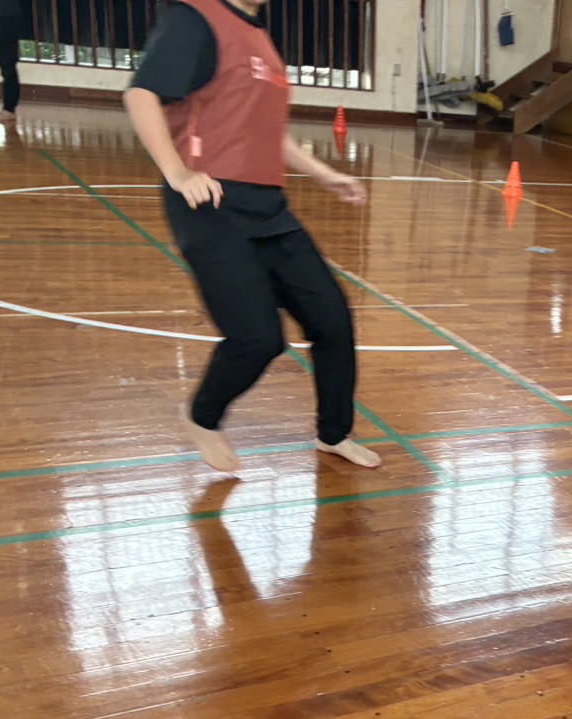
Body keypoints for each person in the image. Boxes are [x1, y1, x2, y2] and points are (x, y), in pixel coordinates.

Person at [123, 0, 380, 474]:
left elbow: (270, 133)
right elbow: (142, 95)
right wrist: (178, 172)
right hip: (210, 204)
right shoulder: (194, 17)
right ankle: (202, 417)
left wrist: (326, 175)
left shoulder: (260, 36)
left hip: (268, 208)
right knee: (257, 338)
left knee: (331, 319)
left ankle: (334, 433)